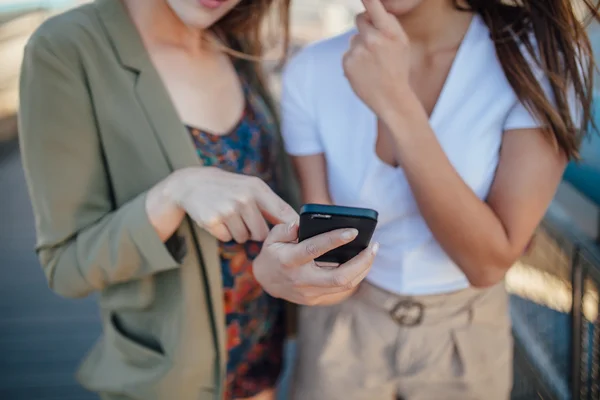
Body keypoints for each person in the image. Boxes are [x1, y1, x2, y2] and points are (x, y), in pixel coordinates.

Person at [18, 0, 378, 399]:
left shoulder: (233, 35)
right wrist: (175, 193)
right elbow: (66, 266)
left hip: (265, 366)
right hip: (170, 382)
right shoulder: (68, 46)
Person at [281, 0, 598, 399]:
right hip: (342, 330)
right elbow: (326, 253)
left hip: (467, 335)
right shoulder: (309, 71)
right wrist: (288, 275)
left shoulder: (536, 60)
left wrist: (395, 101)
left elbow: (486, 264)